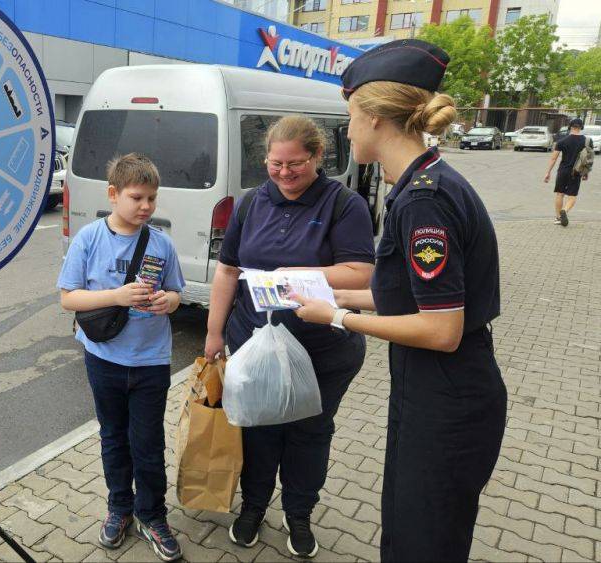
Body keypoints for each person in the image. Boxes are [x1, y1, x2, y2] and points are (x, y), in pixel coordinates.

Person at [291, 39, 507, 561]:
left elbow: (440, 329)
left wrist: (338, 316)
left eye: (349, 116)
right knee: (412, 530)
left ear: (374, 119)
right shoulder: (423, 182)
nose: (346, 129)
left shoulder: (423, 201)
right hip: (437, 391)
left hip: (448, 399)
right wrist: (329, 290)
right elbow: (409, 295)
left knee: (422, 543)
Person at [203, 116, 376, 558]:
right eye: (275, 164)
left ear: (318, 156)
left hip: (322, 351)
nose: (284, 173)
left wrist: (296, 274)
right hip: (254, 345)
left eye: (295, 163)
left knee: (309, 433)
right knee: (259, 428)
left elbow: (362, 273)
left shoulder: (344, 204)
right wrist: (213, 331)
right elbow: (227, 270)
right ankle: (254, 507)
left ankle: (299, 513)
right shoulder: (249, 204)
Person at [57, 153, 186, 562]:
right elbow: (67, 298)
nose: (146, 206)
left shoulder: (162, 244)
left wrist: (169, 301)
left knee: (147, 443)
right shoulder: (89, 239)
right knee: (113, 437)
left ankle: (153, 515)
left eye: (152, 198)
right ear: (113, 195)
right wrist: (116, 295)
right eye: (137, 197)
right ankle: (119, 508)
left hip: (150, 363)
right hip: (104, 359)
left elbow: (178, 294)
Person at [544, 117, 591, 226]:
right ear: (581, 127)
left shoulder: (562, 141)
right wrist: (586, 172)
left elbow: (553, 158)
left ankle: (558, 218)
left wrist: (548, 172)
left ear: (570, 127)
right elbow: (588, 159)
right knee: (572, 195)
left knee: (560, 194)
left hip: (563, 170)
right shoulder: (587, 141)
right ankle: (565, 210)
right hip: (577, 171)